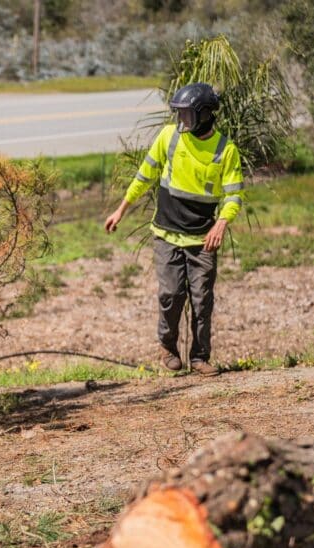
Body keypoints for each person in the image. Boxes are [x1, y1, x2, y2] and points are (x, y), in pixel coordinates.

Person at [104, 82, 244, 377]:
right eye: (178, 114)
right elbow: (145, 174)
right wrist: (121, 209)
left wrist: (222, 222)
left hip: (202, 239)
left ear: (204, 115)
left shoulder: (225, 150)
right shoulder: (169, 137)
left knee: (202, 299)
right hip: (166, 234)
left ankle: (200, 357)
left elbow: (234, 195)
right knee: (171, 294)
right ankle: (168, 348)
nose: (181, 121)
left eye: (187, 115)